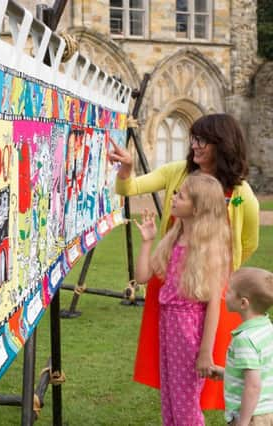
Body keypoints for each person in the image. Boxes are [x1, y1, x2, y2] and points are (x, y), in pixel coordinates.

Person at [110, 113, 260, 409]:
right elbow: (129, 189)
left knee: (204, 360)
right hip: (169, 279)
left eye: (202, 140)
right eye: (193, 138)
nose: (195, 145)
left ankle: (189, 409)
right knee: (169, 365)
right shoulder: (177, 172)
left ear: (223, 145)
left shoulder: (242, 195)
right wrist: (126, 171)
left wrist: (217, 273)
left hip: (208, 289)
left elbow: (247, 242)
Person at [134, 173, 232, 425]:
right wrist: (147, 242)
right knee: (170, 402)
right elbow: (143, 276)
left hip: (188, 331)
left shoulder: (209, 249)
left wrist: (205, 352)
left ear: (197, 208)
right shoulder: (174, 238)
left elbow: (213, 306)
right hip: (169, 326)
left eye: (181, 196)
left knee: (186, 406)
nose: (174, 198)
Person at [210, 267, 273, 426]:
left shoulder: (244, 340)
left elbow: (253, 386)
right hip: (267, 411)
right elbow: (262, 372)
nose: (225, 294)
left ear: (243, 303)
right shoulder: (267, 329)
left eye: (229, 291)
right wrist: (227, 373)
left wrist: (243, 422)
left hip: (252, 416)